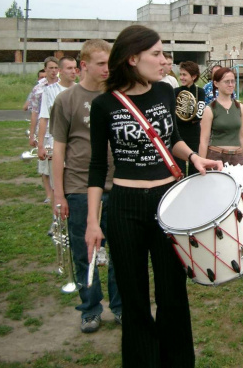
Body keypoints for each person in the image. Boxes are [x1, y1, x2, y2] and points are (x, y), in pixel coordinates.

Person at [85, 25, 221, 367]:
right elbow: (98, 166)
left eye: (164, 53)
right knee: (133, 298)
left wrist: (193, 156)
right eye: (157, 54)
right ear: (133, 58)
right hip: (124, 207)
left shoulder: (164, 92)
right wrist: (92, 221)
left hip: (167, 203)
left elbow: (172, 139)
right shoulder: (104, 105)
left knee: (172, 294)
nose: (164, 60)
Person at [50, 40, 121, 334]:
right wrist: (58, 193)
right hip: (79, 186)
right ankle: (90, 309)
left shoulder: (117, 96)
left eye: (110, 63)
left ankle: (120, 307)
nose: (107, 69)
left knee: (120, 252)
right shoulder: (67, 100)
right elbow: (59, 146)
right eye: (102, 63)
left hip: (116, 185)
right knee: (85, 252)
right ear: (84, 66)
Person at [199, 67, 243, 166]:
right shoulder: (210, 109)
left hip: (237, 158)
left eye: (233, 81)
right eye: (226, 82)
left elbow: (242, 136)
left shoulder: (240, 108)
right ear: (216, 84)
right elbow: (204, 140)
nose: (230, 85)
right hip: (216, 157)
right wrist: (202, 163)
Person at [28, 57, 59, 203]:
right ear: (45, 69)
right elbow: (35, 112)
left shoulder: (62, 86)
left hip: (57, 128)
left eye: (55, 68)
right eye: (50, 68)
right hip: (43, 129)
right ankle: (48, 194)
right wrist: (32, 135)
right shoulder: (39, 88)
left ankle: (57, 191)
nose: (53, 71)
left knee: (56, 162)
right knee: (44, 165)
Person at [174, 61, 206, 176]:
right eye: (181, 74)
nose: (181, 77)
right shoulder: (176, 92)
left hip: (194, 133)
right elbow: (174, 114)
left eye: (184, 75)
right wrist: (185, 117)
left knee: (194, 165)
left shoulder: (200, 92)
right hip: (179, 132)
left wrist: (186, 117)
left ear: (193, 76)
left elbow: (199, 114)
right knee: (179, 166)